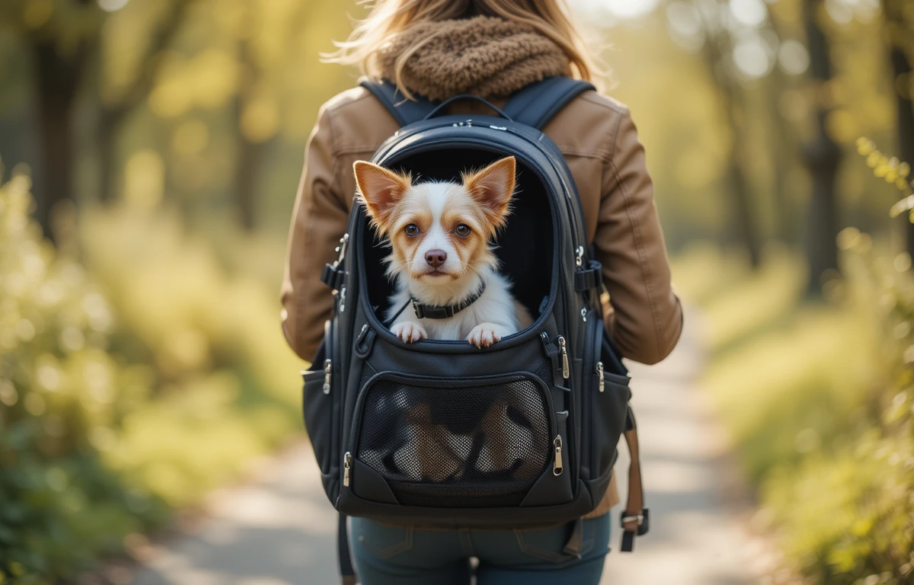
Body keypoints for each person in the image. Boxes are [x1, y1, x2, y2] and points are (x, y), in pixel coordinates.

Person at [280, 1, 683, 582]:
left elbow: (303, 333)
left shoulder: (346, 122)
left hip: (393, 480)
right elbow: (651, 336)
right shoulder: (599, 122)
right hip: (553, 486)